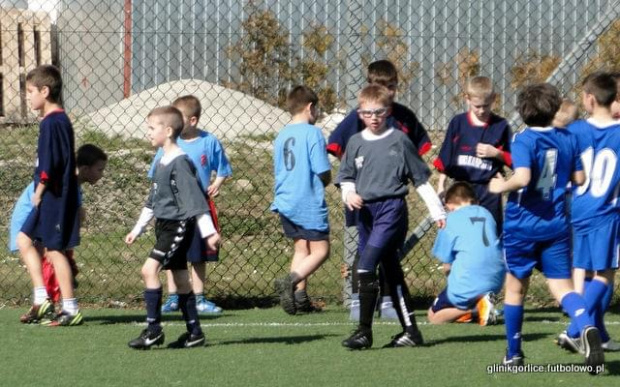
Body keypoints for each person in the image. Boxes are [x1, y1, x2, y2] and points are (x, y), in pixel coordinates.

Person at [489, 83, 604, 371]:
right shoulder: (568, 137)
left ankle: (514, 354)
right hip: (556, 224)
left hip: (522, 225)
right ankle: (585, 324)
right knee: (562, 287)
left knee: (515, 290)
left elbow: (524, 178)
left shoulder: (523, 139)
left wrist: (500, 185)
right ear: (554, 109)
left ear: (522, 111)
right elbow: (579, 178)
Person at [337, 84, 445, 349]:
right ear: (359, 113)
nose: (374, 117)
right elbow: (346, 178)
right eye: (368, 112)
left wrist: (437, 211)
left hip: (391, 211)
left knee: (364, 266)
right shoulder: (355, 142)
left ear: (388, 111)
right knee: (392, 272)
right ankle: (411, 331)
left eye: (379, 112)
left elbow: (420, 180)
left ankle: (364, 332)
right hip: (365, 215)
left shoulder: (399, 140)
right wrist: (349, 194)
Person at [327, 59, 432, 317]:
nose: (388, 91)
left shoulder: (404, 117)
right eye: (380, 86)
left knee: (388, 250)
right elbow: (338, 147)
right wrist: (354, 181)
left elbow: (419, 150)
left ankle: (387, 301)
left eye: (392, 86)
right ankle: (358, 300)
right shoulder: (358, 117)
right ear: (370, 86)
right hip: (363, 199)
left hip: (391, 199)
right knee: (363, 249)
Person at [125, 106, 220, 349]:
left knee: (149, 270)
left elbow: (196, 202)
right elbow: (153, 201)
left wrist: (209, 232)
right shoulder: (161, 162)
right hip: (164, 226)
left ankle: (154, 330)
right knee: (180, 279)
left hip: (178, 227)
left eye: (151, 128)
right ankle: (195, 332)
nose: (148, 133)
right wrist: (137, 229)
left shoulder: (180, 163)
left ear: (167, 131)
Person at [149, 95, 231, 316]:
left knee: (197, 254)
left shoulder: (209, 141)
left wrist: (216, 183)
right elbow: (156, 175)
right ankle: (173, 297)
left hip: (197, 206)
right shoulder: (168, 146)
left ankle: (199, 297)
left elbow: (223, 168)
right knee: (171, 253)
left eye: (179, 117)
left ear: (192, 120)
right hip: (173, 210)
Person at [557, 72, 620, 355]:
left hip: (579, 210)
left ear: (590, 99)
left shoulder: (576, 130)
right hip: (607, 212)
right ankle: (574, 330)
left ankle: (592, 331)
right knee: (605, 273)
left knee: (587, 270)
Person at [16, 64, 82, 326]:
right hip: (48, 196)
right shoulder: (53, 121)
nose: (28, 96)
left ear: (45, 91)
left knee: (55, 250)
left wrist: (40, 190)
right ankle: (42, 297)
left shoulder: (53, 123)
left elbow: (50, 163)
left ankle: (70, 308)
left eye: (31, 91)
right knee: (24, 240)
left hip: (54, 195)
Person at [9, 144, 108, 304]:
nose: (102, 174)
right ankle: (47, 299)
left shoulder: (73, 184)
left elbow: (76, 214)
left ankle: (47, 301)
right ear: (84, 169)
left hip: (41, 212)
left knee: (49, 260)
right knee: (33, 248)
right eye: (99, 169)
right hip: (30, 212)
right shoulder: (67, 182)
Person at [272, 86, 331, 315]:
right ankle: (290, 280)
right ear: (310, 108)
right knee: (321, 250)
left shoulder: (282, 134)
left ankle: (299, 299)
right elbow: (321, 168)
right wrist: (326, 180)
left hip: (285, 200)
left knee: (301, 248)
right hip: (306, 200)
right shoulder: (313, 133)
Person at [434, 76, 512, 233]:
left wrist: (496, 153)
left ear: (494, 99)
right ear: (467, 99)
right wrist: (441, 185)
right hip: (462, 188)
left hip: (488, 189)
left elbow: (514, 160)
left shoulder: (501, 126)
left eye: (486, 105)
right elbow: (446, 156)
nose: (482, 110)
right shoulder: (458, 123)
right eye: (477, 106)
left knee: (489, 234)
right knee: (460, 234)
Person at [427, 182, 504, 326]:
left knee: (433, 316)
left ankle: (477, 309)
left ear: (449, 204)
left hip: (468, 280)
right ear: (476, 201)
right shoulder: (487, 214)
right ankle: (481, 305)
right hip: (496, 280)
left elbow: (447, 265)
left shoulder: (449, 220)